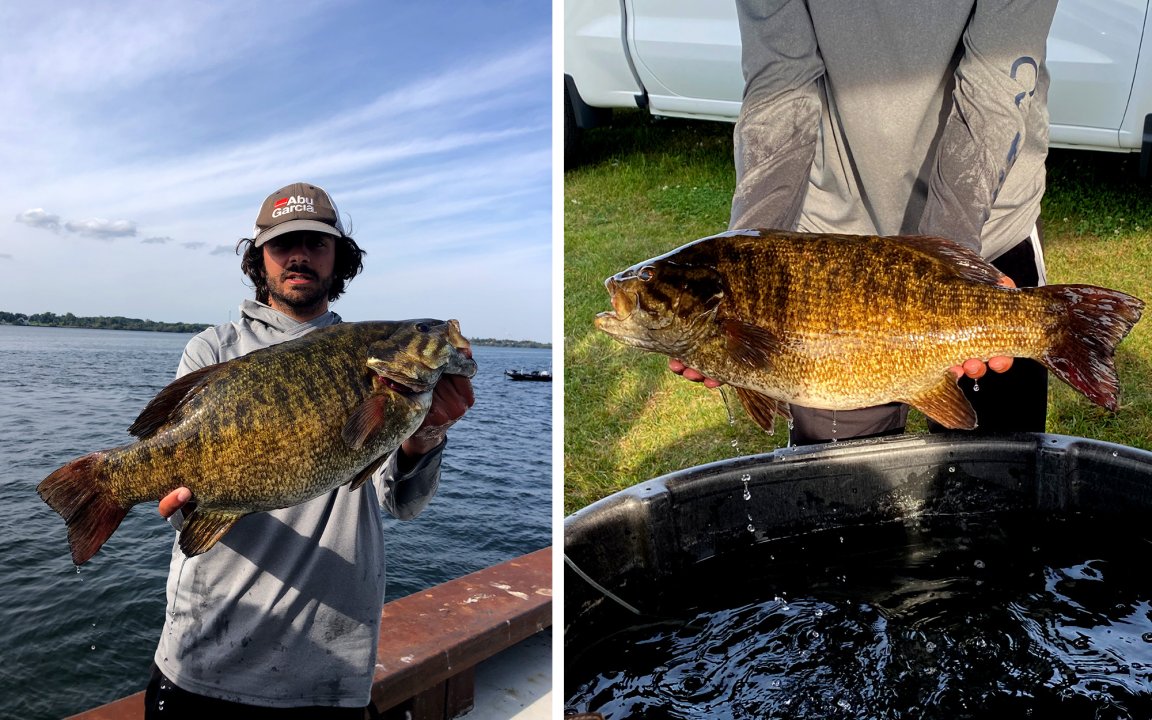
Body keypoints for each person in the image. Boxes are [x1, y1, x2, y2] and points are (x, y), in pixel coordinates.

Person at [142, 181, 475, 718]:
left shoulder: (372, 358)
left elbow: (402, 503)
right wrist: (182, 507)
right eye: (283, 244)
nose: (299, 256)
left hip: (331, 671)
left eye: (316, 244)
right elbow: (186, 493)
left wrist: (426, 434)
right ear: (260, 260)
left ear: (339, 259)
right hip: (206, 655)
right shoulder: (213, 349)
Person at [671, 0, 1058, 445]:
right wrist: (743, 270)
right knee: (838, 496)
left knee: (1000, 483)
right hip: (824, 263)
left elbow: (992, 89)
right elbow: (781, 82)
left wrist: (949, 272)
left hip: (986, 235)